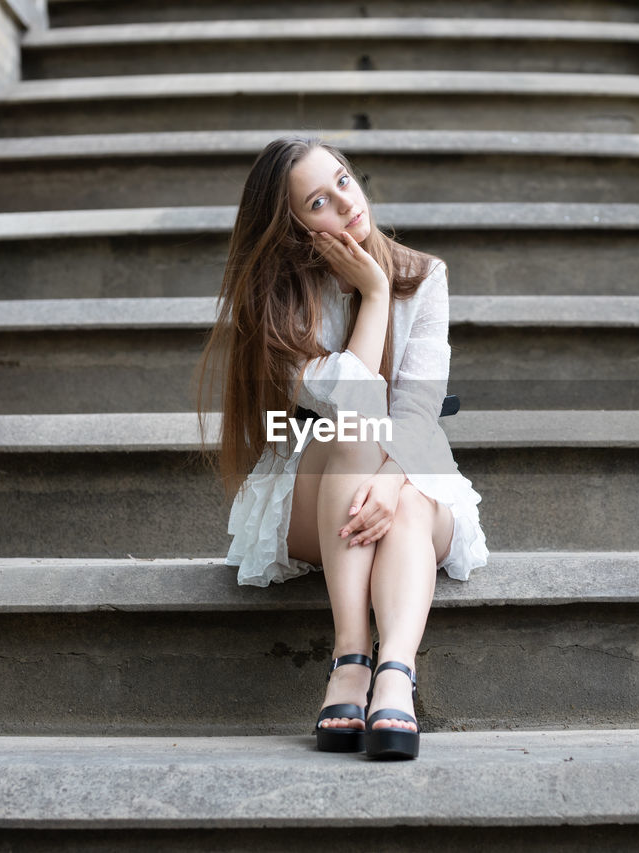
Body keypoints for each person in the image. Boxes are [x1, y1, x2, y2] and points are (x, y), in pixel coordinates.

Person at [196, 137, 488, 760]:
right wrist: (376, 295)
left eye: (345, 181)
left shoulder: (426, 275)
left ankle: (392, 676)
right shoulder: (276, 304)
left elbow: (415, 409)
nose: (347, 204)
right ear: (292, 228)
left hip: (407, 476)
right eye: (320, 202)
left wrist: (393, 480)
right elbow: (351, 404)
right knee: (350, 428)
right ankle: (352, 651)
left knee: (407, 505)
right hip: (310, 491)